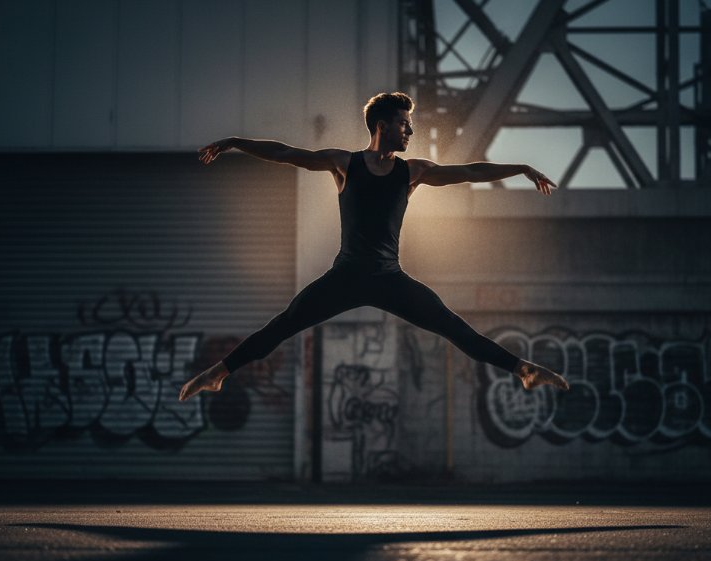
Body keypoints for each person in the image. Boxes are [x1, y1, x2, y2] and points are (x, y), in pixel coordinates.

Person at [179, 92, 569, 401]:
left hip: (389, 279)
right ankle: (218, 374)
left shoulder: (412, 171)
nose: (410, 132)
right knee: (284, 324)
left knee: (453, 326)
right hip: (345, 276)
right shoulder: (344, 163)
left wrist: (518, 168)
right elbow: (286, 153)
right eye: (404, 124)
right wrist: (235, 142)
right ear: (382, 125)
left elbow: (469, 172)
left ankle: (524, 371)